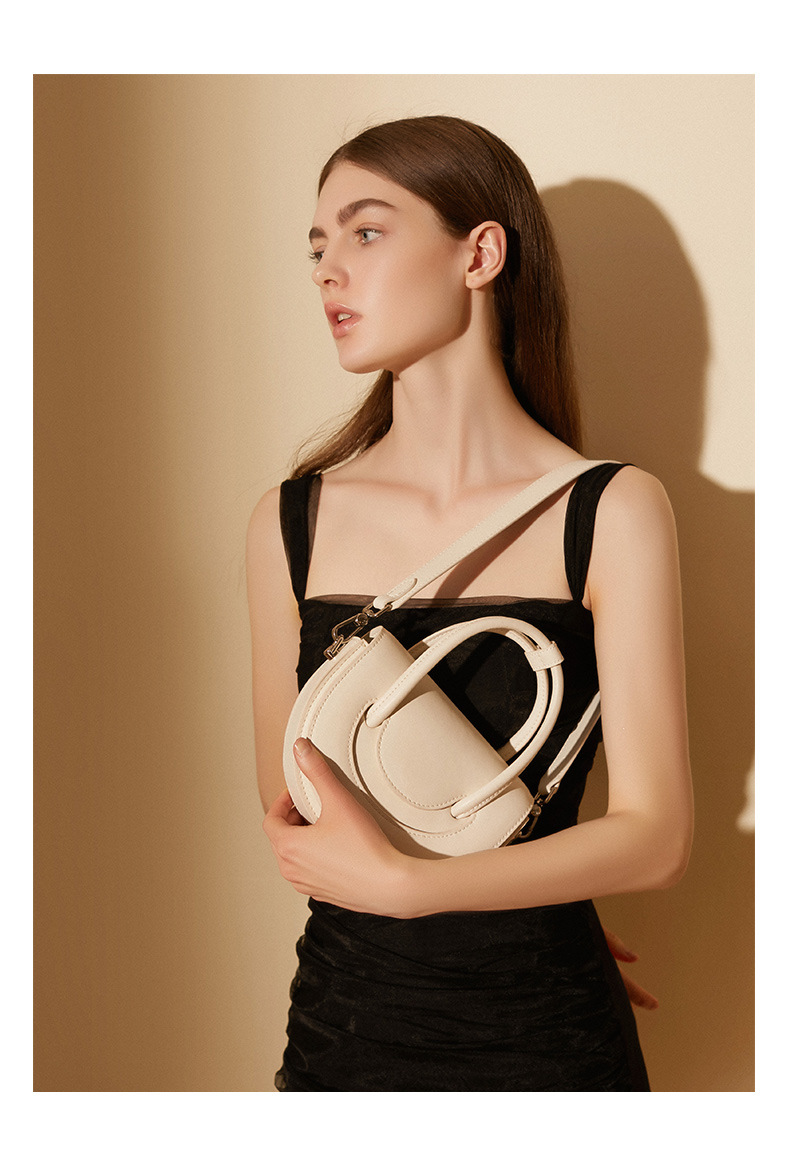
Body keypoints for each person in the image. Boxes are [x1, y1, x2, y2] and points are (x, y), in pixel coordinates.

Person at [246, 115, 693, 1091]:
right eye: (317, 247)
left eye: (365, 232)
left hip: (551, 1040)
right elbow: (295, 808)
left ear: (479, 254)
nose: (327, 271)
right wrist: (492, 881)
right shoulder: (290, 519)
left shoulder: (610, 510)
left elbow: (657, 836)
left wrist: (422, 885)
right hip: (345, 1030)